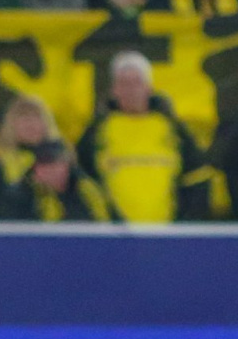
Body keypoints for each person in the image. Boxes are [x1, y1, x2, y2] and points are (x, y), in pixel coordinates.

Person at [77, 51, 219, 223]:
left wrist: (184, 225)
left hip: (166, 232)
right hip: (114, 234)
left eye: (137, 82)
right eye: (124, 84)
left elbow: (197, 176)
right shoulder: (97, 131)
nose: (131, 90)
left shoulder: (173, 128)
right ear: (114, 90)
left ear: (149, 88)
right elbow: (82, 181)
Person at [0, 138, 115, 222]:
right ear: (35, 170)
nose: (52, 170)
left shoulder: (85, 190)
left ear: (67, 166)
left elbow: (104, 224)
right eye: (44, 165)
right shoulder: (18, 196)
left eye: (57, 164)